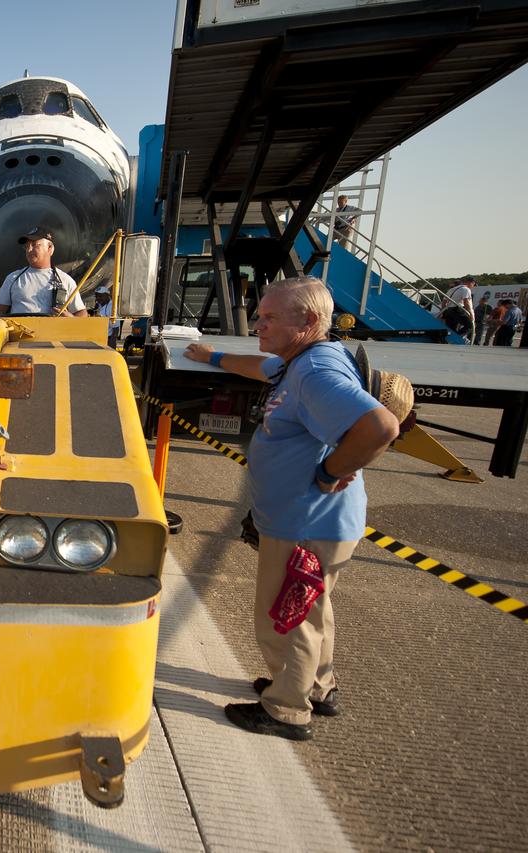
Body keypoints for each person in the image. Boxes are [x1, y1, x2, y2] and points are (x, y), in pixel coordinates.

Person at [185, 277, 402, 741]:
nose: (258, 325)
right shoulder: (303, 359)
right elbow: (262, 367)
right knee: (313, 609)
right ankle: (316, 687)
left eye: (269, 318)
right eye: (259, 315)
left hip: (306, 521)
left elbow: (381, 426)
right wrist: (213, 357)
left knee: (287, 617)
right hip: (320, 521)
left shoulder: (314, 373)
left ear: (306, 321)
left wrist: (329, 473)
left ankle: (286, 707)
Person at [0, 227, 88, 317]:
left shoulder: (65, 280)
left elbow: (81, 313)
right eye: (26, 246)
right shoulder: (13, 278)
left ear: (49, 247)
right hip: (20, 334)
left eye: (34, 245)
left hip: (53, 334)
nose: (29, 250)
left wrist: (70, 318)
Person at [448, 277, 475, 343]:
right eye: (473, 284)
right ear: (470, 282)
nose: (473, 286)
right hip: (457, 309)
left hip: (449, 309)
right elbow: (466, 302)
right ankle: (455, 338)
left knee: (452, 328)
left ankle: (452, 339)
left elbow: (444, 301)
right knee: (470, 326)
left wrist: (443, 312)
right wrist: (470, 313)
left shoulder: (452, 289)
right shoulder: (466, 289)